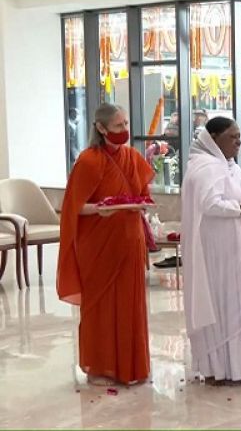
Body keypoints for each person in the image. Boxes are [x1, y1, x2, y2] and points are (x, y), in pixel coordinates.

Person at [57, 103, 154, 386]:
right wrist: (100, 209)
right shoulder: (88, 161)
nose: (124, 130)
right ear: (101, 128)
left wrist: (141, 205)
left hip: (130, 240)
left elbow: (142, 195)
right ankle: (100, 367)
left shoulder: (132, 157)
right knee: (99, 306)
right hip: (98, 243)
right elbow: (74, 207)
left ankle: (131, 368)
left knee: (130, 304)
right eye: (118, 125)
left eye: (126, 124)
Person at [181, 117, 241, 384]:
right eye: (232, 137)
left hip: (238, 248)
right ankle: (222, 367)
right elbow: (210, 204)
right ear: (214, 138)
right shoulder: (207, 167)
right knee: (225, 301)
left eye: (239, 136)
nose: (238, 142)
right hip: (219, 249)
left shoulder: (229, 166)